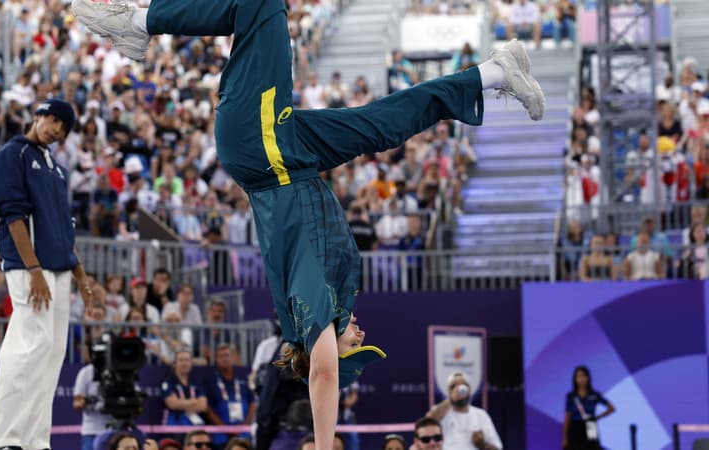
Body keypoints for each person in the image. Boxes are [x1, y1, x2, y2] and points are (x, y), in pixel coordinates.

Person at [73, 0, 544, 445]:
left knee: (264, 4)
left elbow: (323, 374)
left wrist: (323, 445)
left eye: (356, 347)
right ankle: (494, 72)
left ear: (332, 349)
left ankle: (137, 22)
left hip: (263, 150)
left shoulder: (314, 308)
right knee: (384, 123)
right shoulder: (323, 301)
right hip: (290, 157)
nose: (362, 336)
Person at [0, 99, 94, 450]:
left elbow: (64, 228)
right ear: (39, 116)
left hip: (58, 268)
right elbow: (11, 214)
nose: (57, 129)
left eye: (64, 127)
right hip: (29, 266)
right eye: (54, 120)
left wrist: (81, 275)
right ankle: (4, 438)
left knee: (51, 354)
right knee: (30, 345)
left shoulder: (57, 169)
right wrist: (32, 269)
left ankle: (34, 440)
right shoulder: (12, 154)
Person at [426, 373, 502, 450]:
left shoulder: (481, 415)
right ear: (448, 392)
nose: (459, 389)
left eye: (463, 385)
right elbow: (426, 425)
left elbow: (497, 447)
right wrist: (452, 399)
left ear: (470, 390)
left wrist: (481, 444)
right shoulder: (441, 411)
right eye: (453, 386)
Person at [204, 343, 256, 447]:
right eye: (221, 356)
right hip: (221, 435)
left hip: (244, 433)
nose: (224, 359)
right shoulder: (211, 380)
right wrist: (225, 429)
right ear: (216, 360)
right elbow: (208, 409)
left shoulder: (243, 377)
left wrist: (244, 426)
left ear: (233, 357)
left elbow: (253, 403)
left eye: (227, 355)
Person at [562, 366, 616, 450]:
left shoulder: (594, 394)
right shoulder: (571, 396)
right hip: (575, 426)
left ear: (588, 378)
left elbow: (611, 408)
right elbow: (567, 416)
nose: (581, 379)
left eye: (583, 376)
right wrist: (564, 438)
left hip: (590, 425)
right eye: (578, 376)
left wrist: (598, 417)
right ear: (575, 379)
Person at [162, 347, 207, 427]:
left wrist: (181, 403)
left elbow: (203, 405)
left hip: (195, 423)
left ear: (191, 363)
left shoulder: (196, 381)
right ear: (175, 364)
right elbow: (172, 404)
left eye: (187, 360)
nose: (184, 363)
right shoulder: (169, 382)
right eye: (181, 360)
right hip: (175, 424)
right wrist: (194, 401)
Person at [73, 362, 114, 450]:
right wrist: (86, 401)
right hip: (92, 431)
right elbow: (77, 402)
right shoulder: (86, 372)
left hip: (117, 429)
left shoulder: (121, 369)